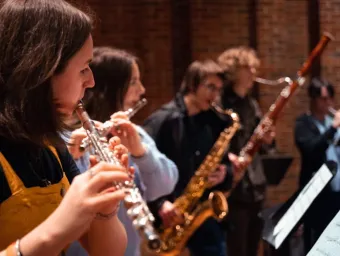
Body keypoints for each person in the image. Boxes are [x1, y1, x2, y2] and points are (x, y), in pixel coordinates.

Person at [0, 1, 130, 255]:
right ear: (40, 70)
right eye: (83, 68)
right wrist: (57, 230)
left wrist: (106, 208)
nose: (91, 81)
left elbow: (106, 251)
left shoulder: (50, 146)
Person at [65, 47, 179, 256]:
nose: (142, 89)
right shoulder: (68, 138)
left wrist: (140, 153)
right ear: (109, 87)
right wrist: (70, 158)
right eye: (134, 81)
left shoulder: (132, 132)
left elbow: (165, 185)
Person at [143, 60, 233, 256]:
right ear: (192, 85)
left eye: (218, 89)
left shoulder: (213, 121)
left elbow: (224, 164)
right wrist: (160, 204)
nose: (215, 95)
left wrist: (224, 174)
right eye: (210, 87)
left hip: (200, 214)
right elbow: (142, 168)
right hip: (169, 217)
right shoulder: (163, 120)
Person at [217, 46, 275, 256]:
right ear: (233, 71)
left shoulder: (251, 104)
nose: (253, 72)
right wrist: (227, 158)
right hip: (234, 189)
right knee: (237, 248)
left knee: (253, 248)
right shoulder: (220, 104)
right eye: (247, 67)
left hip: (256, 187)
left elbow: (265, 144)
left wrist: (268, 139)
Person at [294, 77, 340, 252]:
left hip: (338, 194)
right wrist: (334, 128)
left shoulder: (333, 124)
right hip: (318, 197)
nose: (327, 102)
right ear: (313, 99)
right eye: (323, 98)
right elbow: (312, 150)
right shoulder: (303, 124)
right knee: (317, 246)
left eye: (330, 98)